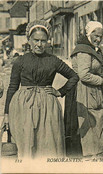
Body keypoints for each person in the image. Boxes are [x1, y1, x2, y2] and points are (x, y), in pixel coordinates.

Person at [3, 20, 79, 159]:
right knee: (26, 144)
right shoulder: (20, 61)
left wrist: (59, 91)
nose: (39, 44)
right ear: (29, 40)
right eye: (36, 40)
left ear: (48, 41)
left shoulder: (53, 60)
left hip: (48, 107)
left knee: (48, 143)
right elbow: (12, 87)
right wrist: (6, 114)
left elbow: (74, 76)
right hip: (23, 107)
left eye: (43, 41)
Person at [64, 21, 103, 157]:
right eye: (95, 36)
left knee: (96, 121)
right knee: (90, 122)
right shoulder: (83, 50)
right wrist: (102, 80)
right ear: (88, 34)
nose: (98, 39)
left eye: (101, 36)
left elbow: (95, 69)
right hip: (84, 91)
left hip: (92, 90)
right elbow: (84, 75)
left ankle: (94, 152)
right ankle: (90, 154)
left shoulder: (93, 49)